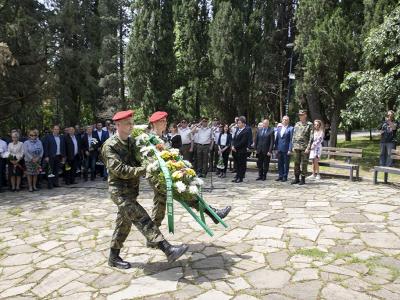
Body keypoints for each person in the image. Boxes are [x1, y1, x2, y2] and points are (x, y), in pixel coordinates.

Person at [101, 110, 189, 268]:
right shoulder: (110, 146)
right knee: (141, 217)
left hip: (131, 190)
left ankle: (113, 257)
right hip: (119, 192)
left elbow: (146, 155)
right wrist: (144, 169)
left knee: (124, 223)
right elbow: (120, 170)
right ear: (117, 125)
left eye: (132, 123)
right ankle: (167, 248)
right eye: (127, 123)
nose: (131, 126)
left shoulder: (132, 142)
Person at [148, 111, 232, 234]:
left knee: (182, 198)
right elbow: (153, 160)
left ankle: (213, 213)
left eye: (166, 121)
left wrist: (179, 166)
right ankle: (152, 235)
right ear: (155, 123)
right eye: (163, 121)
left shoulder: (163, 137)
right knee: (163, 205)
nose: (166, 123)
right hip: (160, 177)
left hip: (170, 173)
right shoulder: (151, 139)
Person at [291, 110, 313, 185]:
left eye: (302, 115)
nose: (300, 116)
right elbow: (294, 135)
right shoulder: (297, 124)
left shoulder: (309, 124)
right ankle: (296, 178)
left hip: (304, 147)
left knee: (304, 163)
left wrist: (308, 148)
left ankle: (303, 179)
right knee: (296, 163)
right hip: (296, 147)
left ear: (305, 115)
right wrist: (293, 145)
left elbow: (311, 137)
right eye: (299, 115)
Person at [274, 116, 293, 182]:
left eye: (286, 120)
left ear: (288, 121)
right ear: (282, 120)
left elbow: (291, 140)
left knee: (286, 163)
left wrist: (290, 149)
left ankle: (285, 176)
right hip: (279, 148)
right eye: (284, 120)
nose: (285, 121)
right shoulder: (279, 128)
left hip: (286, 149)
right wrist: (276, 148)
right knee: (280, 163)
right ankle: (280, 176)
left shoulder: (290, 128)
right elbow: (277, 139)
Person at [232, 116, 250, 183]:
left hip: (241, 151)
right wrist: (233, 146)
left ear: (243, 123)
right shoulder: (237, 130)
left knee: (241, 165)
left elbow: (243, 142)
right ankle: (237, 176)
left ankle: (240, 177)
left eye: (239, 123)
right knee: (237, 164)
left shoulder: (246, 131)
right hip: (235, 151)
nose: (238, 124)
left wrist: (235, 147)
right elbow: (234, 139)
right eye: (237, 123)